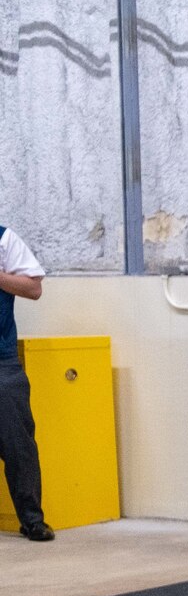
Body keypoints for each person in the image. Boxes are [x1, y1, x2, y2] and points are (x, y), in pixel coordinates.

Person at [0, 222, 52, 542]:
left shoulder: (4, 238)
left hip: (1, 360)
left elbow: (34, 288)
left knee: (19, 444)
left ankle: (32, 519)